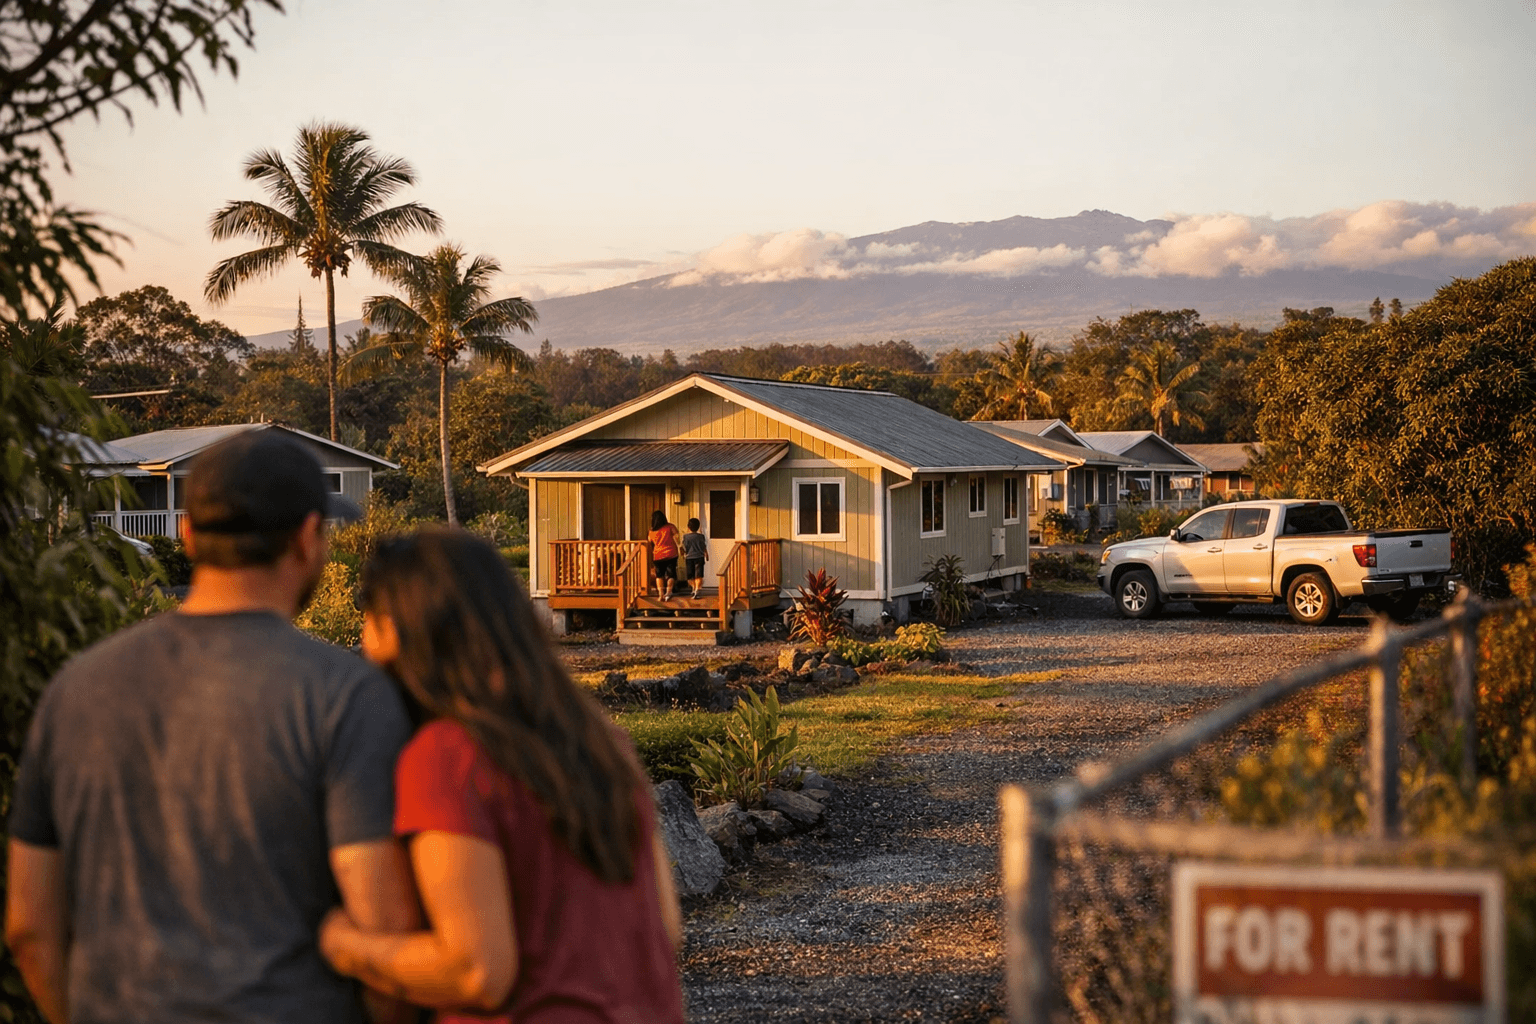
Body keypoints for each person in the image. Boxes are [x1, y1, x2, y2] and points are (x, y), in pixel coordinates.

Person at [4, 430, 418, 1024]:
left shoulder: (75, 690)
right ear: (308, 539)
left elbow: (30, 929)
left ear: (187, 535)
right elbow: (384, 933)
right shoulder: (345, 696)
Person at [318, 528, 685, 1023]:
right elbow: (666, 922)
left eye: (368, 620)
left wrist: (348, 946)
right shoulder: (601, 740)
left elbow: (476, 971)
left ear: (396, 628)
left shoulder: (451, 756)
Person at [647, 509, 681, 601]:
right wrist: (680, 546)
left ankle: (661, 594)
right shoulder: (670, 527)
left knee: (659, 575)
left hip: (658, 555)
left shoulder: (651, 531)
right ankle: (669, 592)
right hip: (671, 553)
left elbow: (649, 542)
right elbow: (677, 537)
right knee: (671, 574)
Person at [680, 517, 708, 597]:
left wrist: (683, 553)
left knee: (690, 576)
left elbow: (684, 547)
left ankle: (694, 588)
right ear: (698, 527)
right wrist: (706, 553)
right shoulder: (701, 536)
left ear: (688, 527)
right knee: (699, 575)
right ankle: (697, 590)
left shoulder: (686, 537)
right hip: (699, 557)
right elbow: (703, 546)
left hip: (689, 557)